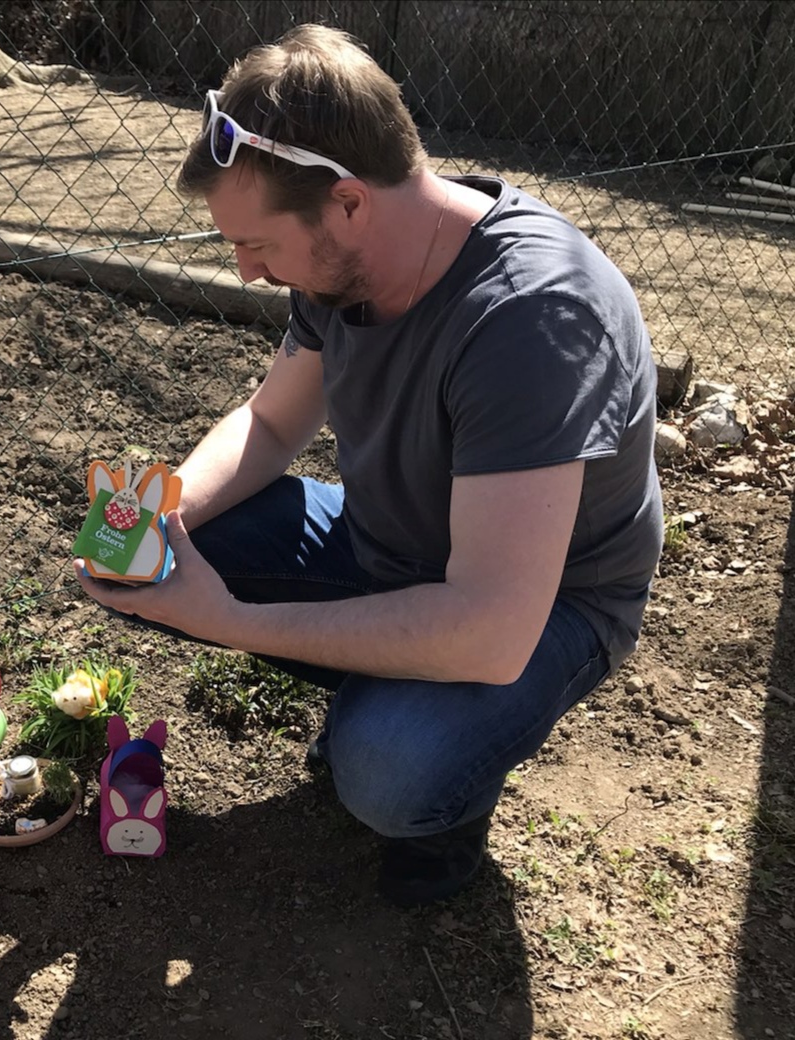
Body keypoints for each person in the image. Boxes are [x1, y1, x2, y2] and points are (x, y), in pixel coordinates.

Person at [76, 25, 663, 907]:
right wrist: (158, 520)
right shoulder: (345, 268)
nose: (246, 270)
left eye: (257, 245)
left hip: (545, 609)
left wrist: (228, 618)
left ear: (348, 202)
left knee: (389, 771)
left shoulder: (531, 321)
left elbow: (491, 628)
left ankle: (440, 799)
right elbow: (272, 425)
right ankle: (388, 675)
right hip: (387, 541)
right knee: (172, 550)